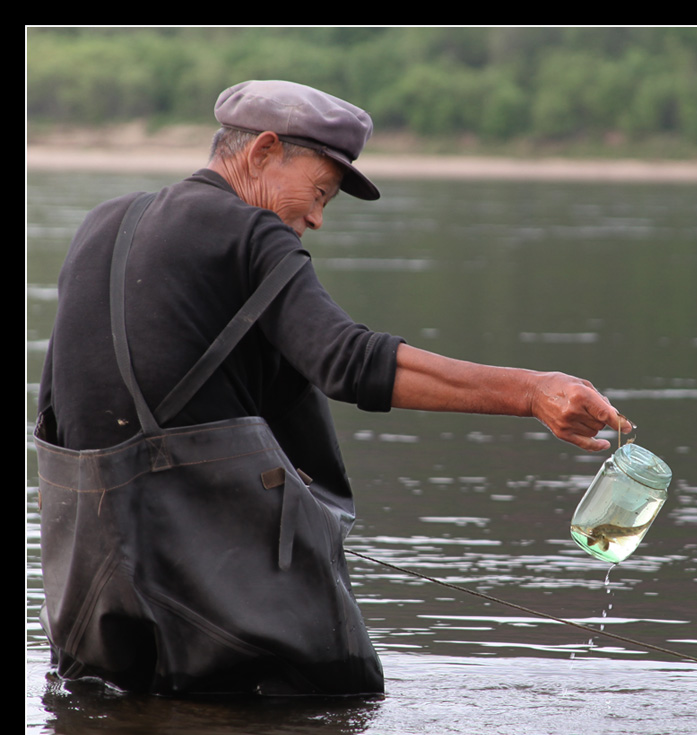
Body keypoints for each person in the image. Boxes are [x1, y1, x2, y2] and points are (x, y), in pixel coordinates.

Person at [35, 79, 629, 698]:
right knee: (335, 707)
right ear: (263, 150)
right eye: (318, 192)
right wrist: (532, 391)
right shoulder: (250, 231)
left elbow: (55, 405)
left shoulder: (102, 223)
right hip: (217, 598)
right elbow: (347, 360)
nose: (316, 218)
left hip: (87, 592)